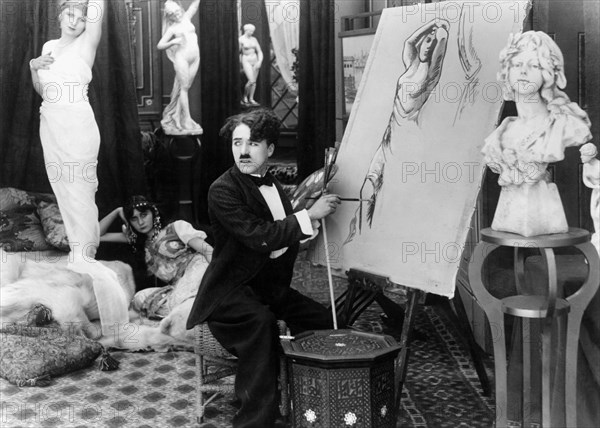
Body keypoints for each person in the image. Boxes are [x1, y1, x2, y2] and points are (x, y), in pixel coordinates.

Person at [186, 108, 341, 427]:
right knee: (262, 324)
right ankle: (253, 421)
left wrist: (311, 223)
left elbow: (283, 236)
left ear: (270, 149)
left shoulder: (275, 190)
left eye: (253, 143)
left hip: (266, 287)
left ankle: (314, 395)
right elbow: (259, 237)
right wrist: (309, 216)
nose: (242, 151)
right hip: (229, 292)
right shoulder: (222, 190)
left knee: (325, 320)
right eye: (237, 143)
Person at [345, 19, 449, 243]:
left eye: (433, 44)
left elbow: (439, 45)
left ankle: (381, 243)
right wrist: (431, 23)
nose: (428, 46)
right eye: (426, 41)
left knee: (389, 202)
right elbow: (409, 40)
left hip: (405, 144)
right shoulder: (410, 64)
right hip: (388, 138)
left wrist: (441, 32)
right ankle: (362, 242)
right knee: (366, 190)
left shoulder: (431, 75)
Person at [482, 31, 592, 237]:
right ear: (507, 72)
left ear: (548, 74)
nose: (523, 71)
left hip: (543, 214)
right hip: (510, 215)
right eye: (516, 64)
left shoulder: (565, 124)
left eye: (534, 65)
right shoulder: (501, 135)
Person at [30, 0, 106, 261]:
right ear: (60, 16)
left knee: (81, 193)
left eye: (81, 18)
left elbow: (96, 12)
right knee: (64, 192)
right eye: (70, 15)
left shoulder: (86, 44)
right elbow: (44, 91)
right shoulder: (48, 47)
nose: (74, 21)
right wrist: (33, 67)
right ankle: (78, 253)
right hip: (51, 126)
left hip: (78, 127)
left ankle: (86, 258)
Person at [100, 195, 213, 319]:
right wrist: (117, 211)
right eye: (134, 219)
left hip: (199, 270)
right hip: (177, 286)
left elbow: (208, 251)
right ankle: (189, 307)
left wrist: (217, 278)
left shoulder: (176, 227)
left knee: (180, 300)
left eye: (144, 215)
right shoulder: (140, 241)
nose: (140, 222)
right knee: (139, 298)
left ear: (153, 212)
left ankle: (190, 306)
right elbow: (98, 235)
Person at [157, 0, 203, 135]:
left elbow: (194, 5)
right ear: (169, 16)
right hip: (181, 58)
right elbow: (160, 45)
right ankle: (187, 119)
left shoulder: (187, 18)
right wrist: (173, 41)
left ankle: (177, 115)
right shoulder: (172, 28)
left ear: (180, 10)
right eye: (173, 14)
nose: (177, 15)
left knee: (186, 87)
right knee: (184, 89)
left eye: (177, 12)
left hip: (195, 57)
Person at [580, 143, 600, 253]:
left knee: (598, 215)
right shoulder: (586, 166)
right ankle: (598, 235)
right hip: (595, 191)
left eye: (583, 155)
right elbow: (586, 180)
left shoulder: (599, 166)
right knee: (594, 215)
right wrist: (595, 187)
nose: (581, 157)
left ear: (590, 155)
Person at [239, 23, 263, 106]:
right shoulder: (241, 39)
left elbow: (259, 51)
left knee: (254, 81)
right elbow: (238, 52)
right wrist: (240, 63)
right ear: (246, 30)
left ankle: (251, 98)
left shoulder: (254, 39)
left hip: (255, 60)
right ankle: (244, 97)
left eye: (253, 31)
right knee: (251, 80)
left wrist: (259, 61)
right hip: (246, 60)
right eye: (250, 31)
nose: (252, 33)